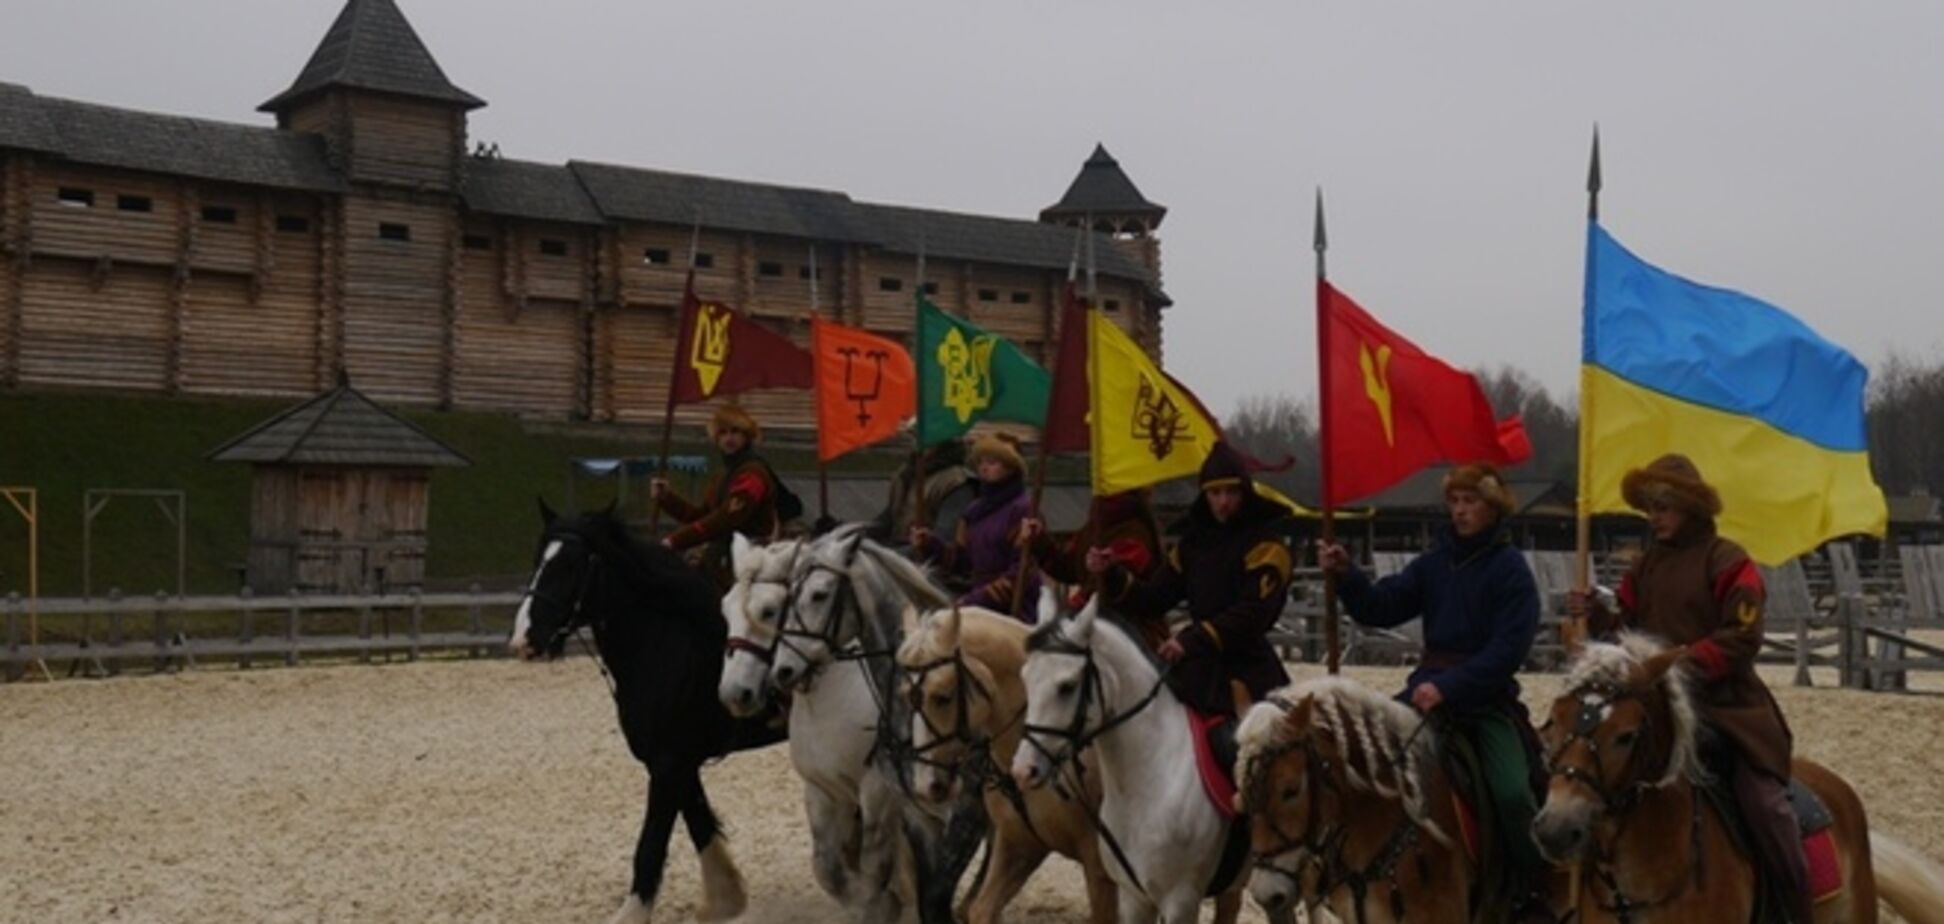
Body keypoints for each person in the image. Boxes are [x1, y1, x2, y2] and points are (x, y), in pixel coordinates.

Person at [1567, 454, 1809, 924]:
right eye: (1651, 508)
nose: (1654, 517)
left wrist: (1673, 667)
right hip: (1653, 711)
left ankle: (1791, 905)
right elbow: (1626, 629)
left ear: (1690, 508)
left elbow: (1742, 638)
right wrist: (1595, 616)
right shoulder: (1646, 566)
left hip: (1726, 711)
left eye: (1664, 507)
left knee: (1767, 811)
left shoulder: (1729, 561)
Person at [1316, 463, 1545, 917]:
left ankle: (1529, 892)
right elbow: (1382, 607)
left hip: (1484, 703)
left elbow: (1507, 649)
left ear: (1492, 508)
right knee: (1365, 765)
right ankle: (1341, 870)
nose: (1460, 511)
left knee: (1513, 793)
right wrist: (1347, 576)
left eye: (1470, 502)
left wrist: (1452, 687)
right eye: (1454, 502)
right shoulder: (1434, 563)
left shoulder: (1511, 571)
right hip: (1423, 693)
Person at [1091, 441, 1293, 717]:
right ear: (1205, 495)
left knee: (1242, 746)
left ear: (1245, 493)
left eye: (1231, 492)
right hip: (1195, 669)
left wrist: (1191, 640)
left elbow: (1253, 614)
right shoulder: (1192, 545)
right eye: (1215, 493)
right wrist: (1111, 572)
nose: (1223, 502)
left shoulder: (1267, 546)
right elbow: (1154, 599)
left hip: (1249, 671)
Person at [651, 404, 797, 588]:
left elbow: (726, 519)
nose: (729, 438)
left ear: (746, 436)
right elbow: (701, 516)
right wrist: (667, 499)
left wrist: (673, 541)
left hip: (751, 565)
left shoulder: (753, 474)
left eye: (735, 432)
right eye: (723, 433)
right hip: (721, 560)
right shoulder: (722, 476)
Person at [910, 433, 1038, 616]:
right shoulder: (973, 511)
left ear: (1011, 469)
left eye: (992, 463)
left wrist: (977, 600)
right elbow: (961, 561)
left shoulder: (1023, 510)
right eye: (981, 462)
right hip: (975, 601)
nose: (984, 467)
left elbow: (1021, 574)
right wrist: (930, 544)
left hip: (1015, 608)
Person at [1019, 489, 1166, 641]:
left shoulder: (1135, 532)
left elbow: (1104, 588)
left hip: (1130, 634)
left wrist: (1070, 614)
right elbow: (1069, 567)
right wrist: (1039, 541)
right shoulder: (1096, 526)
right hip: (1090, 626)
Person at [868, 437, 973, 545]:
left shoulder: (956, 481)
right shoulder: (907, 473)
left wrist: (890, 556)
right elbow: (890, 517)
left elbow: (944, 538)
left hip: (926, 557)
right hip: (896, 548)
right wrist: (859, 535)